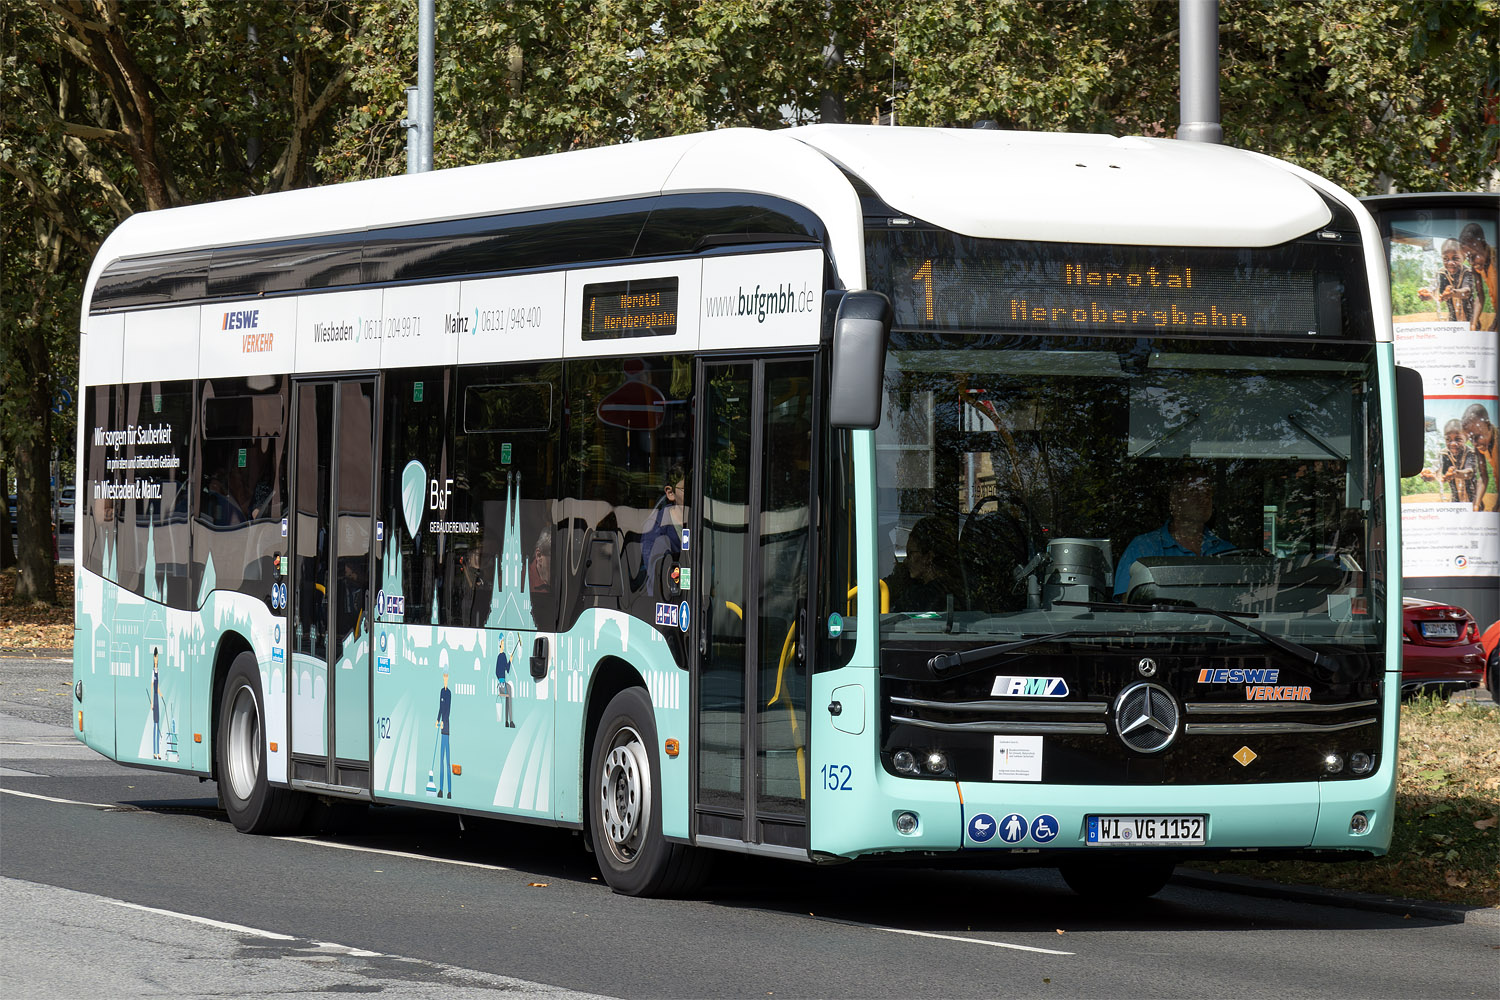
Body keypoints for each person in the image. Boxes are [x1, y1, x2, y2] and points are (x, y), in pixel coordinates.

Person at [1114, 467, 1236, 599]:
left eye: (1207, 494)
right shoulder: (1143, 548)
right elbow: (1129, 609)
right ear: (1174, 500)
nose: (1203, 499)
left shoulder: (1228, 552)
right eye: (1194, 492)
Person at [884, 516, 962, 611]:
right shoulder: (954, 588)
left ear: (928, 557)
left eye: (910, 554)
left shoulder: (924, 597)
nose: (905, 561)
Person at [639, 463, 686, 597]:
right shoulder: (655, 529)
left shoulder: (701, 524)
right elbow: (655, 573)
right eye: (687, 489)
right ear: (670, 493)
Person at [1421, 419, 1479, 505]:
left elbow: (1469, 472)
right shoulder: (1445, 454)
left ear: (1466, 438)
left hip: (1473, 500)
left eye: (1458, 439)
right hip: (1455, 500)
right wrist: (1431, 476)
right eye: (1448, 440)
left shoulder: (1470, 453)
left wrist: (1455, 473)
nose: (1452, 444)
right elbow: (1441, 476)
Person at [1459, 223, 1498, 332]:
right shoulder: (1476, 268)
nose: (1471, 262)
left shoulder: (1495, 261)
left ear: (1484, 245)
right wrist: (1473, 322)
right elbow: (1480, 295)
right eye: (1468, 258)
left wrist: (1494, 324)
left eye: (1473, 256)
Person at [1461, 403, 1497, 512]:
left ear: (1489, 426)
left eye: (1477, 437)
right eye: (1471, 439)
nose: (1474, 443)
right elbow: (1483, 477)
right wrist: (1476, 504)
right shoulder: (1480, 445)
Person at [435, 669, 452, 798]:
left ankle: (449, 791)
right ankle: (441, 790)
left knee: (447, 761)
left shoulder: (449, 693)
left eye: (447, 676)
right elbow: (441, 708)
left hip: (446, 729)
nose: (445, 678)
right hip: (442, 727)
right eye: (444, 676)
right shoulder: (441, 691)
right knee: (441, 760)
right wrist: (437, 720)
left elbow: (448, 710)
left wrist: (443, 722)